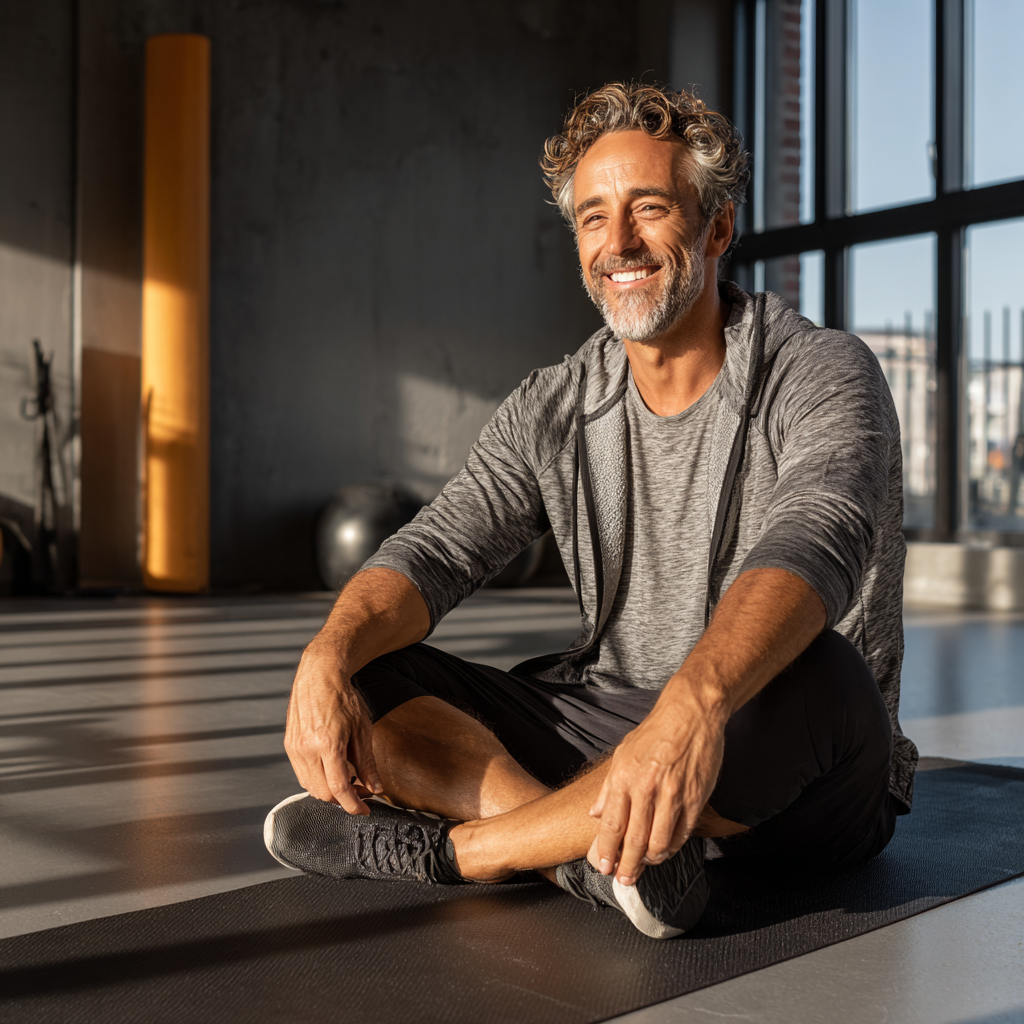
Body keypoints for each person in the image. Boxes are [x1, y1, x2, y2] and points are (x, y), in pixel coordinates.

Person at [264, 82, 917, 940]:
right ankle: (597, 860)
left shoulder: (821, 370)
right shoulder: (555, 404)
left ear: (718, 228)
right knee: (368, 666)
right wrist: (325, 654)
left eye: (650, 208)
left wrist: (693, 709)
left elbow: (819, 534)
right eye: (594, 217)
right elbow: (436, 550)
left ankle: (475, 852)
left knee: (826, 676)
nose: (620, 243)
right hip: (614, 724)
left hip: (791, 760)